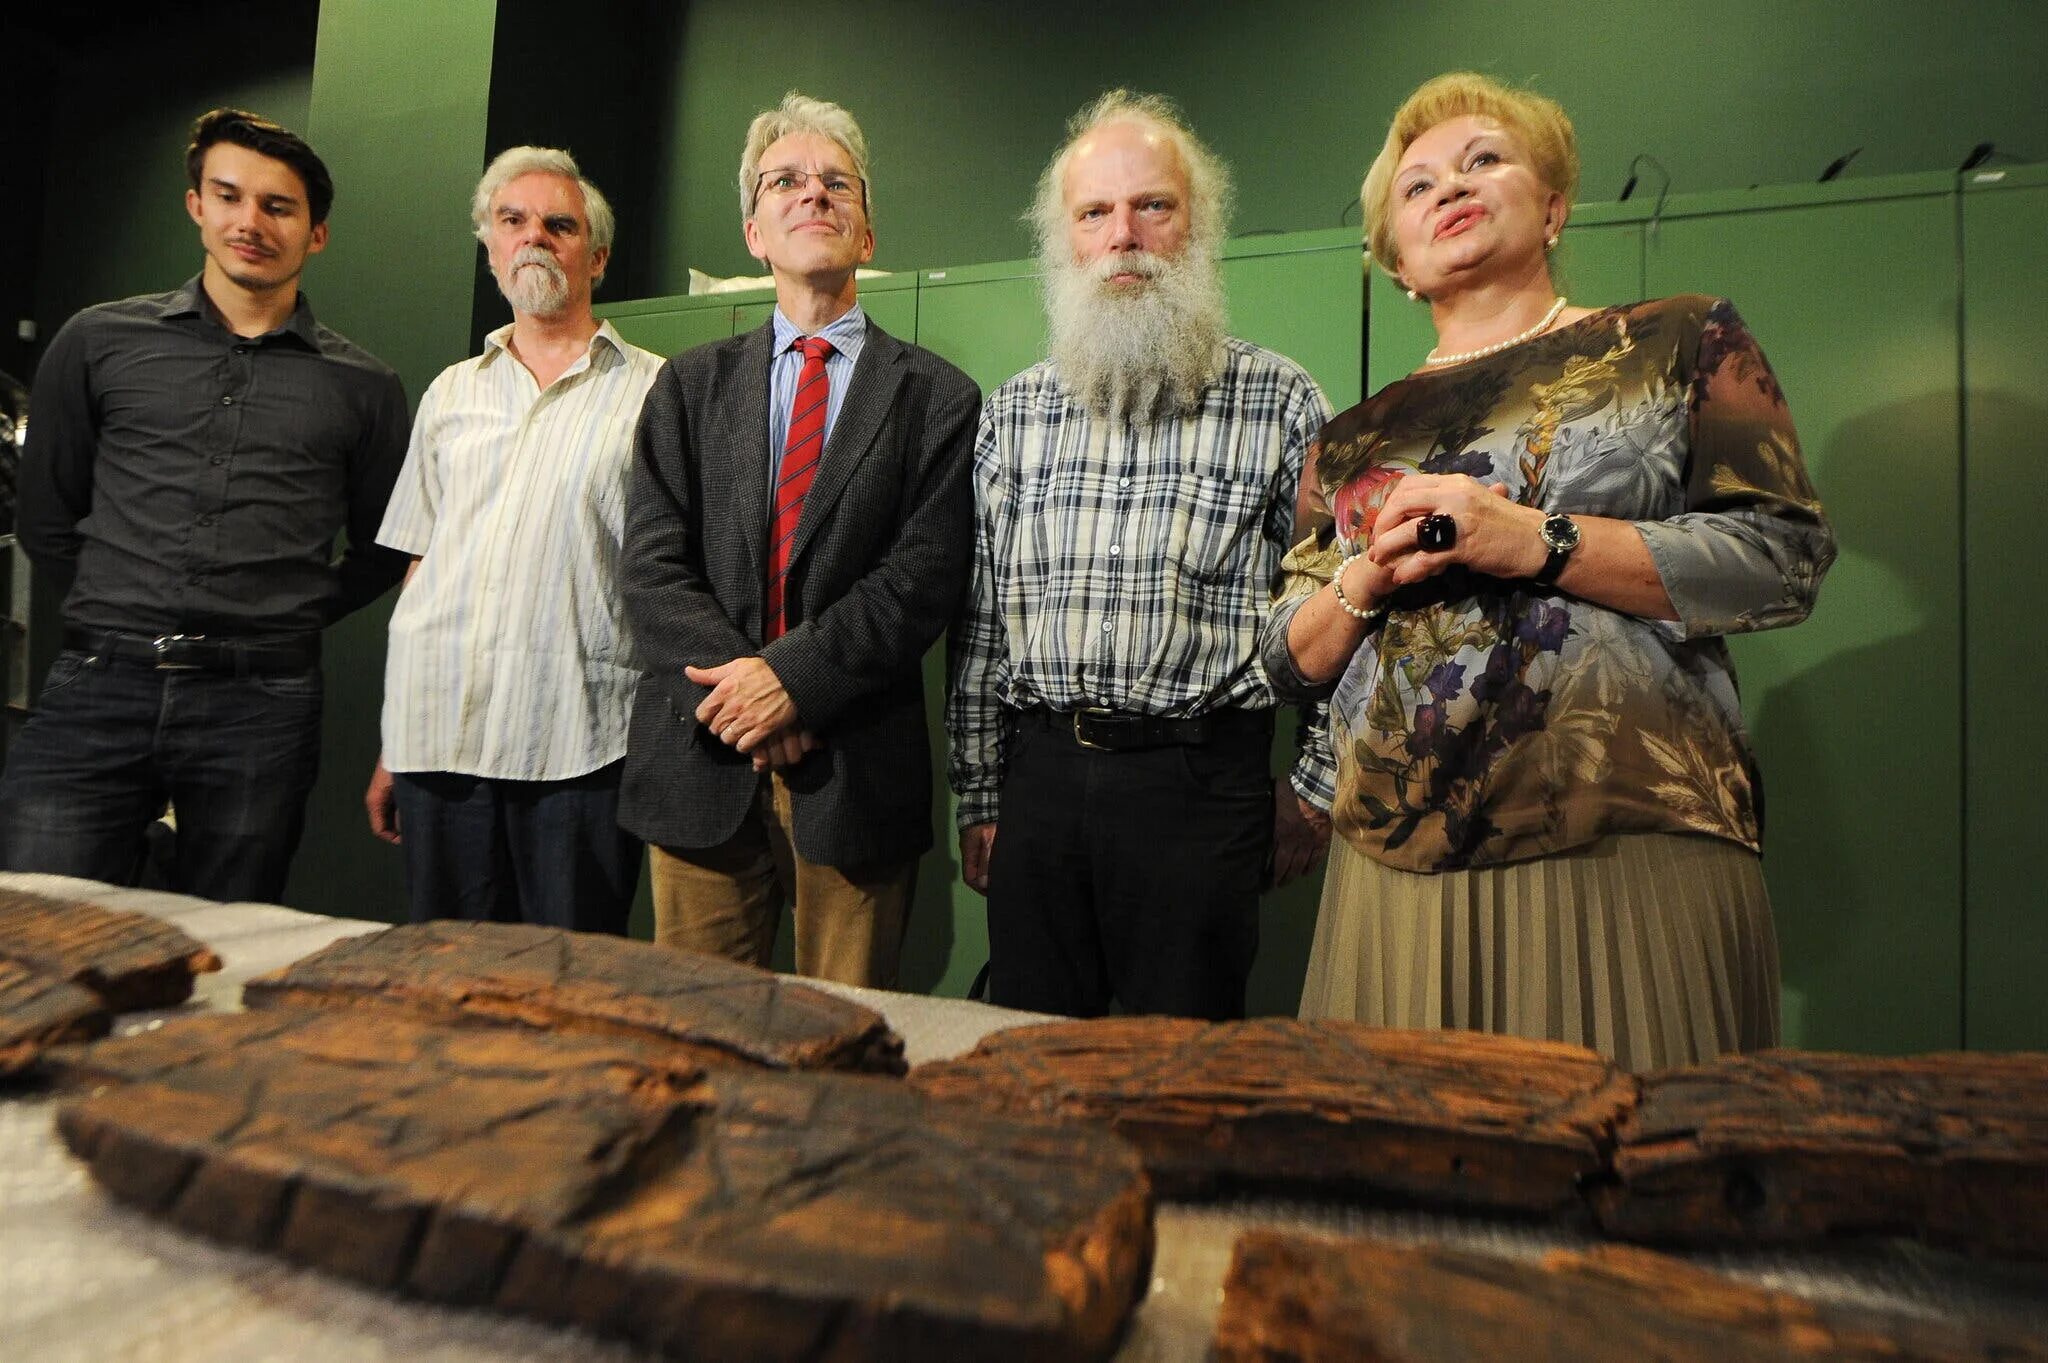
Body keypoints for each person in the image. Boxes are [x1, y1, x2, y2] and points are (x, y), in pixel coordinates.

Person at [1262, 72, 1837, 1069]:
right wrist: (1361, 581)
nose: (1449, 187)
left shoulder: (1677, 340)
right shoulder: (1349, 439)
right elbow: (1285, 657)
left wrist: (1535, 539)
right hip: (1392, 870)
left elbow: (1780, 560)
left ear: (1554, 204)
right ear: (1394, 258)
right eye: (1417, 186)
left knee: (1640, 1168)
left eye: (1484, 160)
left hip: (1623, 842)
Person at [946, 90, 1337, 1021]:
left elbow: (1340, 604)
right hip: (1039, 784)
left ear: (1197, 225)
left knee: (1188, 1072)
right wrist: (978, 794)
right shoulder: (1014, 413)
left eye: (1152, 206)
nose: (1124, 234)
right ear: (1066, 239)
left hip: (1202, 790)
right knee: (1034, 1060)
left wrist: (1317, 788)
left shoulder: (1282, 402)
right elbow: (984, 625)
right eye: (1096, 212)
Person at [2, 108, 408, 903]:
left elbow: (386, 546)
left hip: (262, 703)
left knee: (229, 932)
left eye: (277, 206)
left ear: (315, 234)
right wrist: (118, 603)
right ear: (197, 205)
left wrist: (284, 608)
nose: (249, 221)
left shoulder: (365, 385)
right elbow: (45, 514)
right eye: (229, 196)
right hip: (98, 682)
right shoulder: (97, 341)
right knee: (32, 926)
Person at [621, 93, 979, 987]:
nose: (812, 194)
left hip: (853, 772)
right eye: (786, 181)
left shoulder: (939, 397)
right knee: (697, 1037)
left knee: (843, 1044)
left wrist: (795, 684)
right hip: (702, 762)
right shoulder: (688, 387)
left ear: (867, 232)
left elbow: (921, 581)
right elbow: (652, 568)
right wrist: (749, 703)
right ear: (754, 230)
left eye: (836, 183)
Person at [363, 148, 659, 934]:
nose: (535, 237)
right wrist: (395, 738)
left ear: (594, 255)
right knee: (446, 987)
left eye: (559, 225)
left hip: (580, 746)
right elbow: (420, 567)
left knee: (571, 989)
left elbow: (673, 574)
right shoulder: (450, 393)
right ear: (491, 247)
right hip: (439, 737)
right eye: (513, 221)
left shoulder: (657, 392)